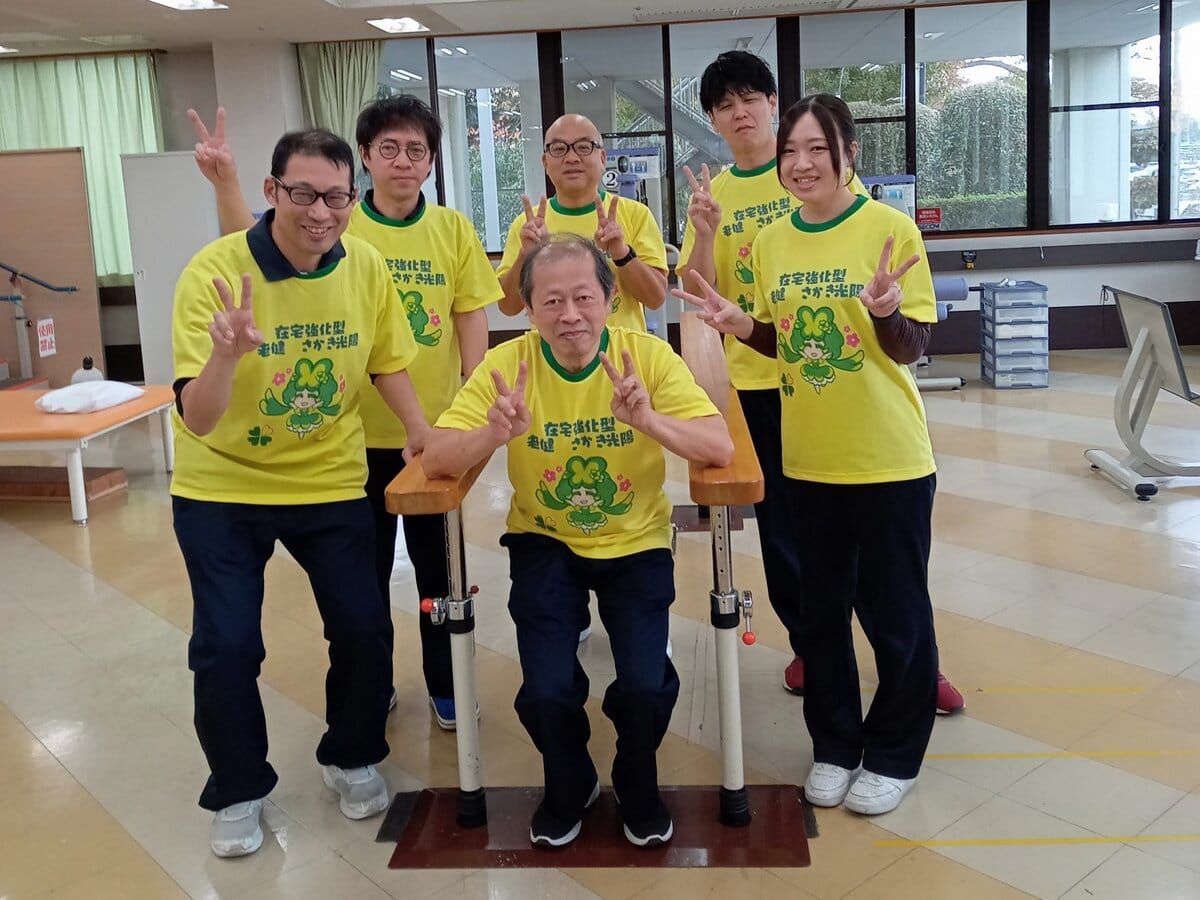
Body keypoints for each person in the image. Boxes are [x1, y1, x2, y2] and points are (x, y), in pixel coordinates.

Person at [190, 97, 502, 731]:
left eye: (416, 150)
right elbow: (251, 246)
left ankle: (446, 682)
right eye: (389, 148)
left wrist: (470, 394)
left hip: (429, 434)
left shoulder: (450, 229)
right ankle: (372, 686)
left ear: (432, 161)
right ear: (364, 159)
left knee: (440, 572)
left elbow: (470, 311)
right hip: (349, 438)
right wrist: (224, 183)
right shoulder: (335, 222)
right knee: (362, 586)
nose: (403, 161)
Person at [676, 94, 942, 816]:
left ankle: (894, 753)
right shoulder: (773, 243)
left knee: (897, 613)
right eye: (791, 150)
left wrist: (886, 312)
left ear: (849, 152)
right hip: (808, 460)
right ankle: (835, 745)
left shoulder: (889, 229)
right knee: (820, 615)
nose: (800, 164)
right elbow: (786, 341)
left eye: (817, 148)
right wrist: (742, 325)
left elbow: (914, 346)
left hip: (889, 458)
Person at [423, 234, 733, 848]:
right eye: (552, 301)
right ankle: (570, 779)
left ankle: (636, 778)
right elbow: (436, 457)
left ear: (610, 299)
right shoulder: (507, 367)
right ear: (529, 308)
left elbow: (718, 445)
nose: (570, 315)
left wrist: (649, 420)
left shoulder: (647, 357)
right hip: (544, 541)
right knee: (545, 690)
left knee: (645, 685)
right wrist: (492, 434)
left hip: (636, 539)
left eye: (584, 297)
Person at [172, 129, 428, 857]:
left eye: (336, 197)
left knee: (362, 627)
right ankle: (238, 788)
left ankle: (353, 754)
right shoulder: (214, 272)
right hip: (222, 486)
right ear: (272, 192)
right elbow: (198, 417)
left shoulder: (365, 265)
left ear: (354, 197)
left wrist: (420, 430)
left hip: (330, 478)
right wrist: (225, 356)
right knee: (225, 645)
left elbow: (387, 362)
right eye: (304, 194)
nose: (321, 212)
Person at [495, 114, 668, 333]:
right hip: (552, 352)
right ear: (545, 162)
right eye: (559, 149)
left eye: (584, 147)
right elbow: (508, 306)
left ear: (602, 158)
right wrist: (526, 255)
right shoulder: (527, 226)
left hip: (622, 351)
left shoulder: (636, 214)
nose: (571, 158)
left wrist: (622, 253)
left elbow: (655, 298)